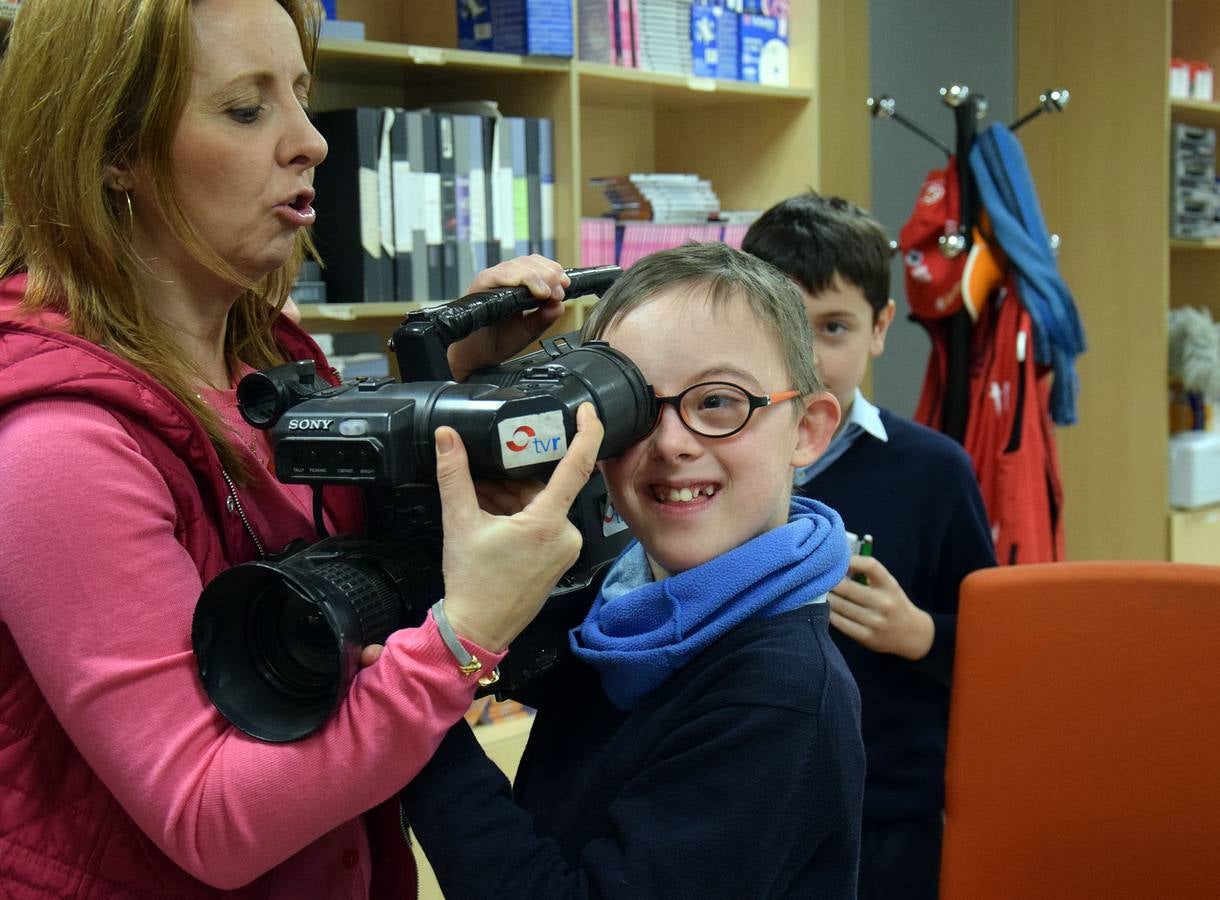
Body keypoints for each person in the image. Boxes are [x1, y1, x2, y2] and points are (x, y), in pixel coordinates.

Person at [0, 1, 602, 897]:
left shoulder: (271, 362)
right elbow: (210, 818)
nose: (312, 142)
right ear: (113, 150)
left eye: (301, 96)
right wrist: (461, 639)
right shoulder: (57, 448)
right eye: (247, 109)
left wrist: (449, 378)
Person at [396, 241, 866, 898]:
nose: (670, 443)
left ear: (807, 429)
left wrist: (411, 716)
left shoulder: (775, 698)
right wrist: (466, 375)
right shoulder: (631, 608)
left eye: (719, 401)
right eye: (635, 409)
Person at [742, 191, 998, 900]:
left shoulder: (934, 472)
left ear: (880, 327)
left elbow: (1001, 649)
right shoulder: (708, 465)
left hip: (888, 820)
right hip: (742, 806)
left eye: (834, 328)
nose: (807, 356)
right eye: (785, 325)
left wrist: (920, 634)